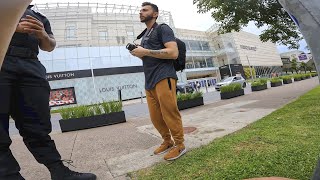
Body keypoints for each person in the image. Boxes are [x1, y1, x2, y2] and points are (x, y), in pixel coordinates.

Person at [0, 4, 96, 180]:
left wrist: (42, 35)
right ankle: (9, 175)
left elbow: (50, 45)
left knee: (37, 123)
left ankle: (59, 172)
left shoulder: (38, 15)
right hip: (2, 59)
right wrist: (12, 26)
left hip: (30, 63)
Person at [130, 2, 186, 161]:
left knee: (170, 113)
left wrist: (145, 51)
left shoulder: (163, 28)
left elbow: (173, 52)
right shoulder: (145, 35)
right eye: (140, 10)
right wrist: (139, 52)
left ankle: (180, 144)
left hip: (164, 76)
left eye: (145, 10)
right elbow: (148, 55)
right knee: (156, 117)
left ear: (155, 14)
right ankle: (167, 141)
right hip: (149, 80)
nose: (141, 12)